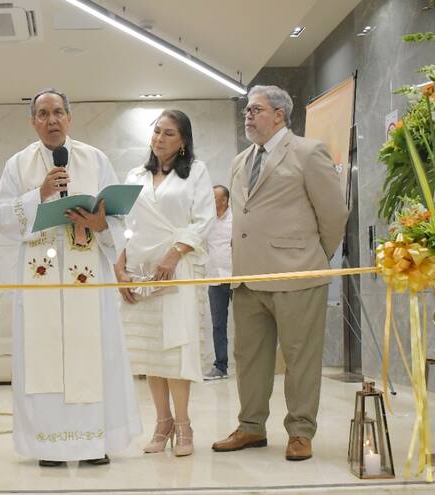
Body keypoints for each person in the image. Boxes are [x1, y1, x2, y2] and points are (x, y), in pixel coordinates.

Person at [0, 88, 141, 467]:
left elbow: (121, 217)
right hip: (40, 274)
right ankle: (50, 445)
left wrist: (99, 222)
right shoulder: (18, 163)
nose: (51, 119)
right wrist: (39, 194)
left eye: (58, 112)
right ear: (33, 122)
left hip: (87, 276)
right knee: (44, 354)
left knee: (93, 350)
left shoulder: (95, 158)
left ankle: (95, 442)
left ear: (69, 118)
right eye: (42, 113)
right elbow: (2, 217)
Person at [212, 85, 348, 461]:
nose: (248, 116)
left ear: (280, 115)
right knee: (249, 358)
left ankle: (301, 431)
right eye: (246, 111)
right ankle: (251, 427)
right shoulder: (241, 160)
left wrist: (315, 255)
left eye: (256, 109)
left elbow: (334, 214)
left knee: (301, 357)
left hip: (297, 274)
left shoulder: (307, 152)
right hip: (247, 278)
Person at [116, 109, 215, 457]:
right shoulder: (134, 174)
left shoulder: (196, 173)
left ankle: (184, 424)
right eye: (157, 131)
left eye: (169, 133)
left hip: (178, 268)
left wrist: (173, 255)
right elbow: (122, 225)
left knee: (176, 346)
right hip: (141, 269)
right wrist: (120, 269)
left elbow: (205, 219)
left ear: (184, 141)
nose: (160, 138)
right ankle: (162, 423)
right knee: (150, 351)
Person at [203, 185, 232, 381]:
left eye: (213, 198)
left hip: (237, 277)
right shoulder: (207, 221)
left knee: (248, 324)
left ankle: (250, 365)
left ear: (224, 200)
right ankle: (220, 367)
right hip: (214, 278)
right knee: (218, 325)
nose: (210, 201)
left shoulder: (237, 219)